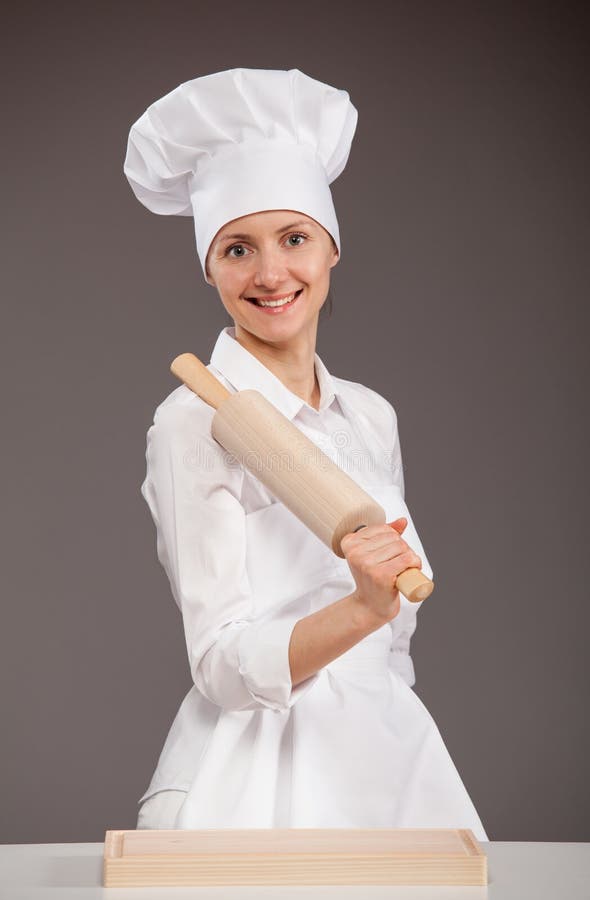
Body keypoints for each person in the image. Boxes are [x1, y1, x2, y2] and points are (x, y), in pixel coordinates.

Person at [124, 68, 489, 840]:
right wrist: (362, 607)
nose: (270, 274)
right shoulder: (195, 422)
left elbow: (394, 643)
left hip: (390, 759)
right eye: (236, 248)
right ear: (209, 267)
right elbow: (222, 664)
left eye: (294, 239)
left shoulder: (370, 415)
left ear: (330, 250)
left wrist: (380, 621)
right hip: (251, 775)